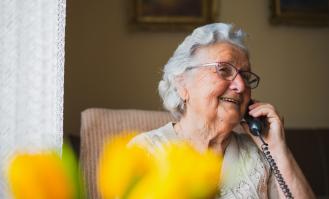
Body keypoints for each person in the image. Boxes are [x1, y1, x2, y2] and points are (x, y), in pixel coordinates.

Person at [129, 23, 314, 198]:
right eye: (224, 70)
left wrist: (278, 150)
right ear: (182, 84)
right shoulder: (145, 152)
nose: (241, 86)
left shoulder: (262, 153)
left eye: (245, 76)